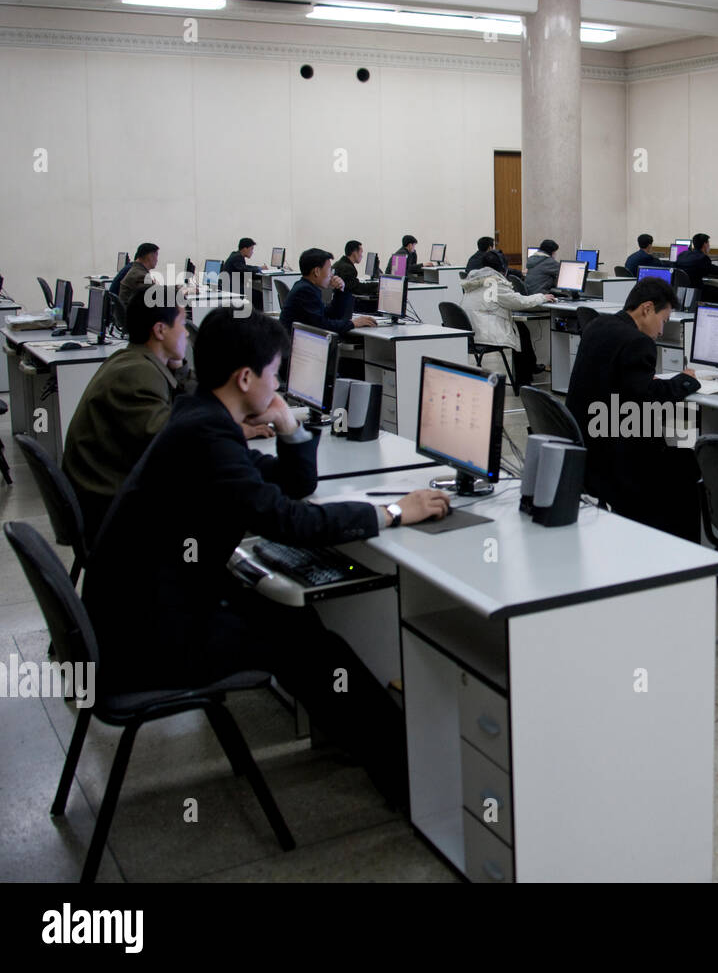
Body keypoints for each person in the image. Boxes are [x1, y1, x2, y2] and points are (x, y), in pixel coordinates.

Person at [81, 308, 450, 803]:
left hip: (143, 613)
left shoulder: (199, 418)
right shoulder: (206, 436)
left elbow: (291, 487)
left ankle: (368, 744)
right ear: (246, 376)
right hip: (148, 644)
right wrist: (392, 512)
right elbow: (288, 522)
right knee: (312, 646)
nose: (280, 384)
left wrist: (290, 429)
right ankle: (412, 780)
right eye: (276, 373)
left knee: (298, 625)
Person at [567, 277, 702, 541]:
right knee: (686, 451)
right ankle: (683, 547)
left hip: (586, 443)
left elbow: (618, 381)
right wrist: (686, 379)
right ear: (647, 308)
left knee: (677, 429)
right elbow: (648, 400)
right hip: (614, 456)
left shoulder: (598, 324)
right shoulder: (638, 342)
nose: (662, 331)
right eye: (663, 321)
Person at [63, 286, 190, 543]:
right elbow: (172, 448)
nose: (187, 333)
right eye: (183, 323)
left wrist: (177, 366)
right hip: (111, 515)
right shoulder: (138, 376)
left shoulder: (129, 359)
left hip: (102, 494)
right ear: (160, 330)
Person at [460, 252, 550, 385]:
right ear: (503, 268)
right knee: (520, 334)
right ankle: (523, 381)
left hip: (473, 331)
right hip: (484, 333)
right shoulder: (495, 284)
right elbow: (518, 302)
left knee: (521, 329)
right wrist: (541, 297)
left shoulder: (474, 279)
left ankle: (530, 369)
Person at [280, 248, 377, 337]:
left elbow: (331, 315)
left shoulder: (305, 286)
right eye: (329, 269)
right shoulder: (305, 291)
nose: (331, 274)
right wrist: (353, 323)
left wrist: (340, 291)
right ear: (316, 272)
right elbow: (322, 325)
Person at [674, 232, 718, 303]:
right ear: (705, 244)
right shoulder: (703, 258)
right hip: (696, 291)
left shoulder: (682, 255)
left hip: (682, 291)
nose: (709, 245)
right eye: (708, 243)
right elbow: (717, 270)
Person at [117, 242, 159, 307]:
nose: (157, 260)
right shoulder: (140, 275)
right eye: (156, 255)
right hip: (132, 315)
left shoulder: (135, 270)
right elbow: (158, 296)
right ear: (150, 257)